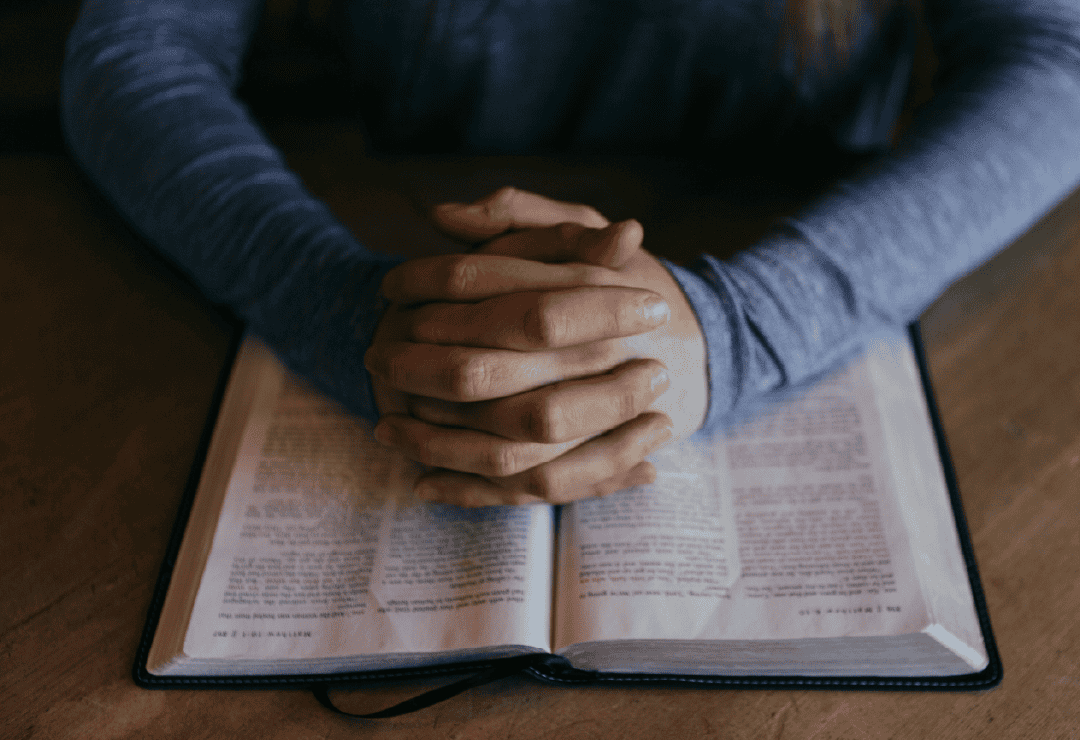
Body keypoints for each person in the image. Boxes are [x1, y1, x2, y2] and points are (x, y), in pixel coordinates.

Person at [61, 0, 1080, 506]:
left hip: (806, 249)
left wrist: (733, 328)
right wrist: (357, 309)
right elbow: (131, 51)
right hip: (410, 246)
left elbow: (1055, 54)